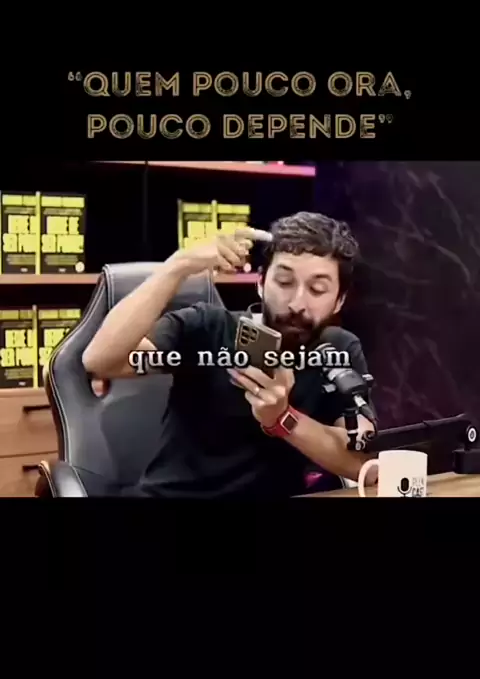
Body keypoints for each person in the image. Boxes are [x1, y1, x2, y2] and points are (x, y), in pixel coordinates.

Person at [82, 212, 377, 498]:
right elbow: (100, 360)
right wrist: (178, 266)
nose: (297, 303)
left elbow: (366, 464)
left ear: (339, 301)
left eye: (317, 289)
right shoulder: (207, 326)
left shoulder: (338, 349)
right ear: (261, 283)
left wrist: (282, 419)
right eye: (284, 282)